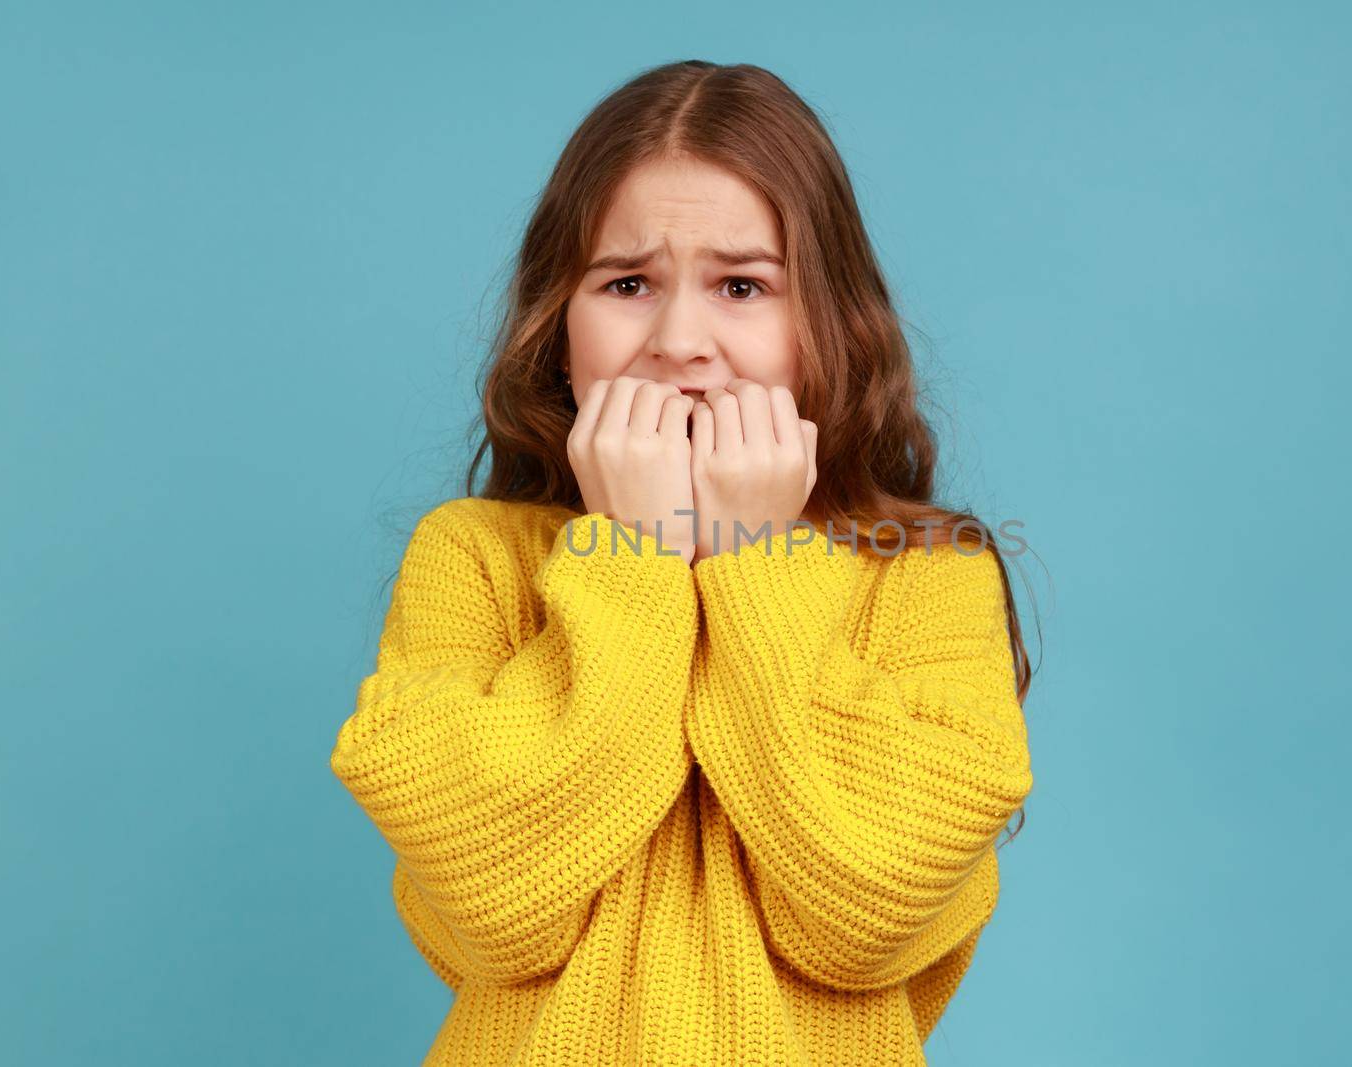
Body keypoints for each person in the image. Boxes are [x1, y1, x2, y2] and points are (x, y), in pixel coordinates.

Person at [329, 59, 1037, 1066]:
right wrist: (632, 556)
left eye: (742, 285)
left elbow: (864, 910)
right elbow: (493, 910)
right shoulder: (472, 558)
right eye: (626, 284)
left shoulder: (929, 575)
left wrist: (754, 563)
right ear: (557, 326)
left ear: (824, 325)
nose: (678, 342)